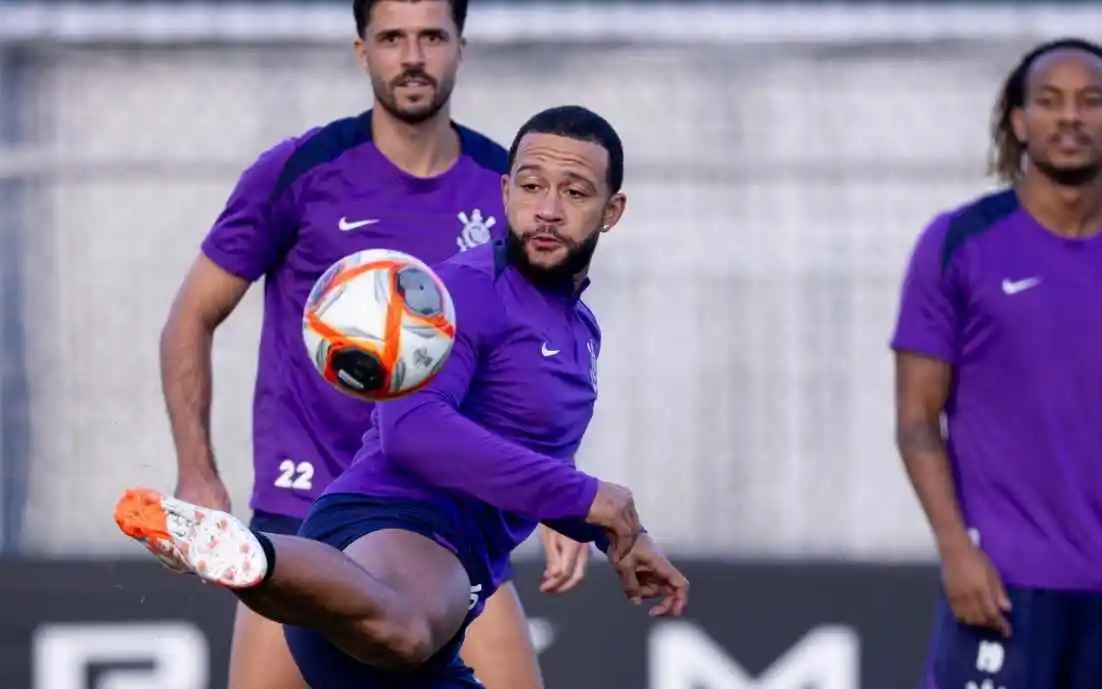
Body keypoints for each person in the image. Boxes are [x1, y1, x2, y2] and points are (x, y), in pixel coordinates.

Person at [120, 104, 689, 688]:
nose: (547, 209)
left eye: (574, 192)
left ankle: (264, 561)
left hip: (450, 601)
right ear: (504, 190)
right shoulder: (462, 291)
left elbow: (532, 446)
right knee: (405, 626)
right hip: (388, 532)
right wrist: (585, 496)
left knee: (417, 636)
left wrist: (613, 530)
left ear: (611, 211)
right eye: (532, 185)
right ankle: (248, 554)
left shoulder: (581, 331)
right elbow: (412, 428)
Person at [158, 1, 588, 688]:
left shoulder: (505, 188)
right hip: (302, 513)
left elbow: (532, 354)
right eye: (391, 37)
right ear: (363, 51)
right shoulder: (300, 171)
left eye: (430, 37)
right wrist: (197, 470)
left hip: (439, 524)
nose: (412, 56)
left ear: (460, 48)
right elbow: (191, 315)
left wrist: (557, 488)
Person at [892, 38, 1102, 689]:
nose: (1070, 117)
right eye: (1050, 101)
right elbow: (918, 419)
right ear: (1018, 120)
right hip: (1000, 588)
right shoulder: (959, 243)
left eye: (1091, 101)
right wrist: (956, 548)